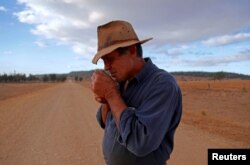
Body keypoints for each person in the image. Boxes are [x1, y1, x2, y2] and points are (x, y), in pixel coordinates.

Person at [90, 20, 182, 165]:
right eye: (103, 61)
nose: (106, 67)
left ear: (132, 51)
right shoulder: (120, 80)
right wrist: (106, 101)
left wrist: (111, 95)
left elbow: (140, 143)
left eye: (110, 59)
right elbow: (104, 122)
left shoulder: (162, 84)